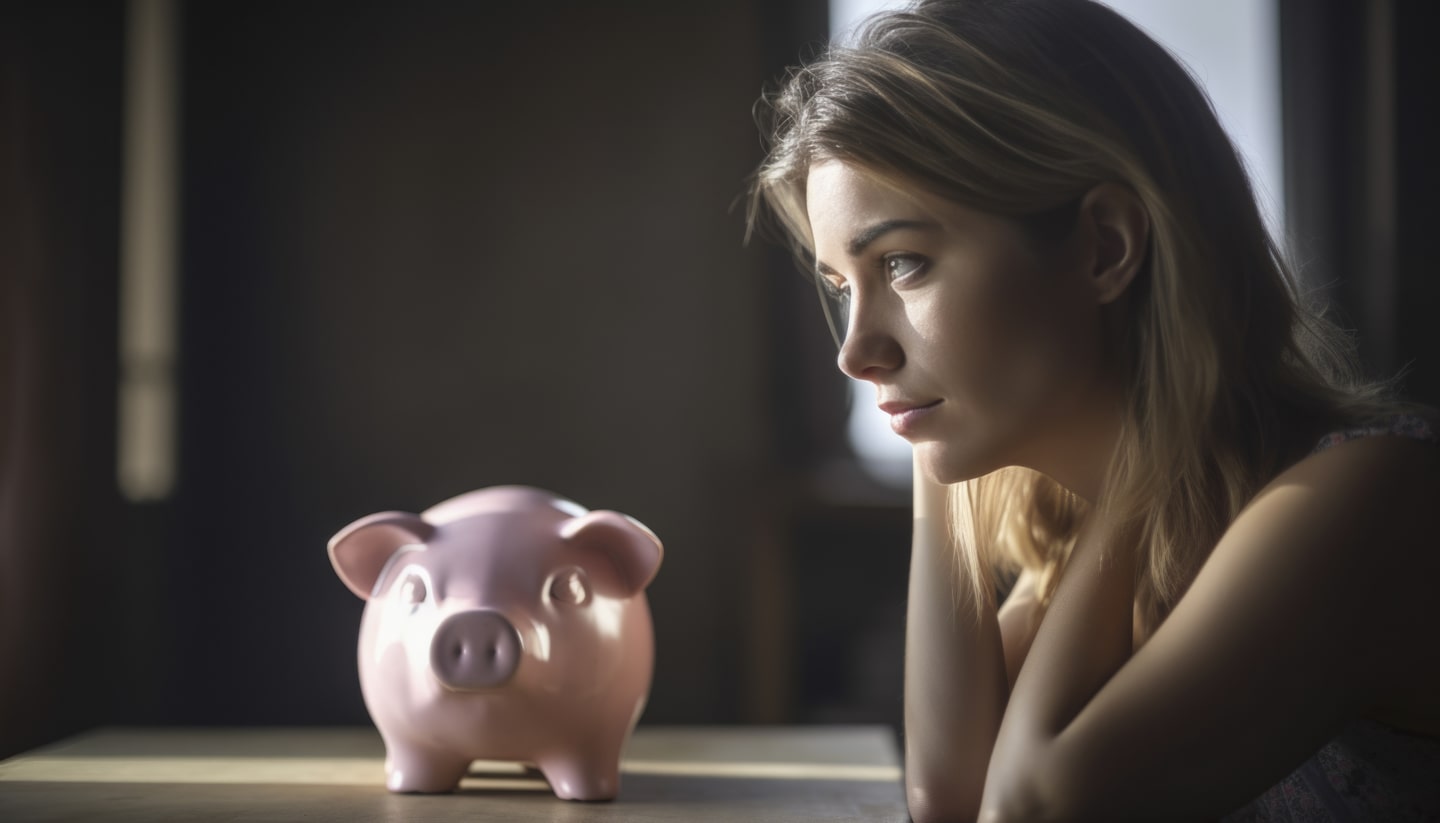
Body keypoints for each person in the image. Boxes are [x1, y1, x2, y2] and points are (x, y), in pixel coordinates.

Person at [745, 1, 1440, 820]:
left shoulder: (1367, 496)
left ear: (1106, 245)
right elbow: (952, 800)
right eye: (839, 287)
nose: (855, 352)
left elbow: (1039, 805)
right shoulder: (1115, 535)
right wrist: (940, 442)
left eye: (902, 264)